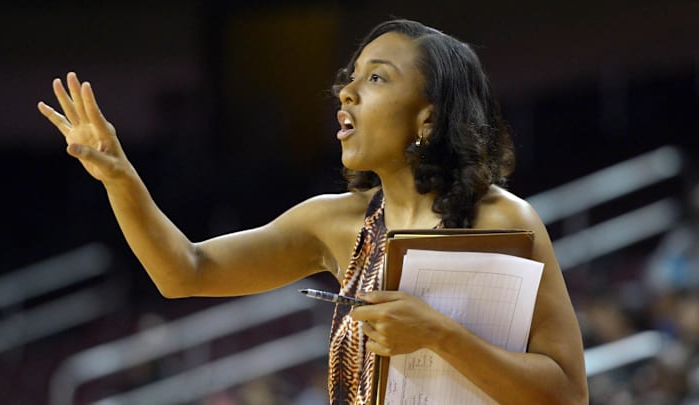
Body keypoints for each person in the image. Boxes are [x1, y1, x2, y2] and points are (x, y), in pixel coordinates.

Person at [38, 19, 588, 405]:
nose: (345, 91)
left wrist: (440, 335)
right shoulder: (334, 222)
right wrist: (120, 177)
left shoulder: (504, 222)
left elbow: (566, 395)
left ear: (428, 118)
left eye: (376, 78)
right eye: (349, 77)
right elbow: (185, 271)